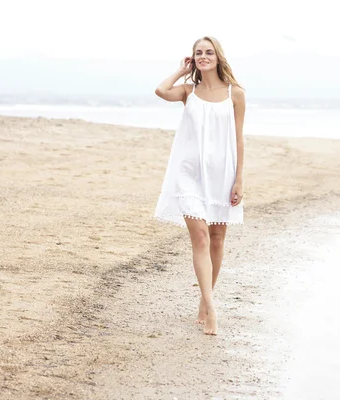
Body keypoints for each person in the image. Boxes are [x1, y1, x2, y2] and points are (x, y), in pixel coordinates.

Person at [154, 36, 245, 335]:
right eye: (198, 53)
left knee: (217, 238)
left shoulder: (235, 93)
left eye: (208, 52)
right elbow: (160, 90)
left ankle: (204, 302)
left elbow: (239, 138)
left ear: (218, 56)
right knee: (201, 239)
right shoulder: (188, 92)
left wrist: (239, 179)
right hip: (188, 175)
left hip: (222, 175)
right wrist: (181, 70)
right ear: (193, 58)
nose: (203, 57)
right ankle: (212, 308)